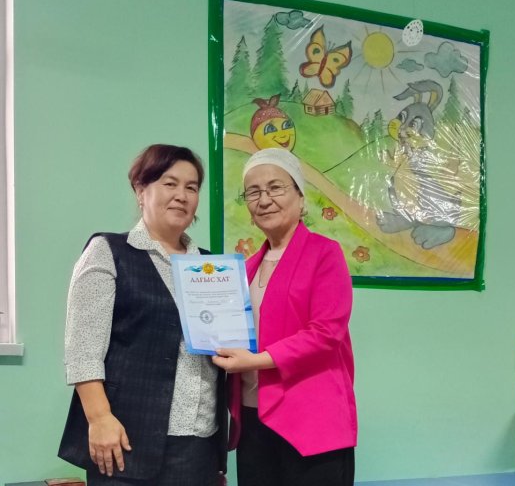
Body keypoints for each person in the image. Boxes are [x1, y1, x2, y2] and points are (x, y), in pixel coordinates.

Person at [58, 144, 227, 486]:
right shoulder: (108, 251)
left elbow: (224, 346)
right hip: (124, 438)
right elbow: (83, 349)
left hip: (198, 443)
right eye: (170, 183)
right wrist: (99, 418)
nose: (181, 195)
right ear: (140, 190)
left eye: (191, 187)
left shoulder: (212, 266)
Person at [212, 148, 357, 486]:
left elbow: (326, 333)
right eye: (253, 192)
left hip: (311, 420)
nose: (264, 200)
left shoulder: (325, 253)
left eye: (275, 187)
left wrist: (256, 361)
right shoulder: (244, 268)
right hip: (253, 419)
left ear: (300, 197)